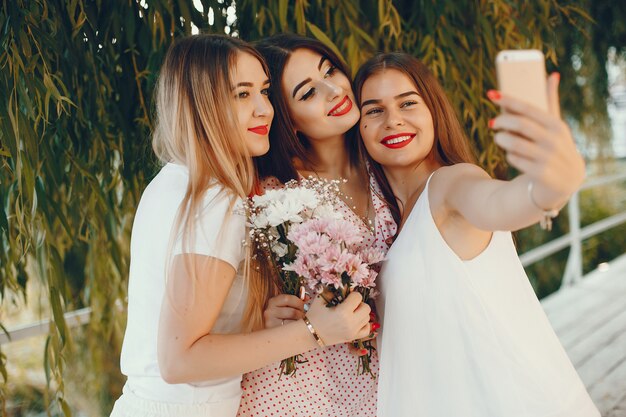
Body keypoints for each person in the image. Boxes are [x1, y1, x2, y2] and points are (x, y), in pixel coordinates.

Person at [109, 34, 372, 417]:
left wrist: (263, 324)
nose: (265, 109)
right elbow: (179, 359)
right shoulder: (213, 197)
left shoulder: (176, 181)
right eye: (242, 95)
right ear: (202, 105)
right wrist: (315, 332)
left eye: (264, 92)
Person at [354, 52, 600, 417]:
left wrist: (550, 187)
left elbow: (502, 202)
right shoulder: (389, 220)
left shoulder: (452, 184)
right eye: (374, 110)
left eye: (408, 103)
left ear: (434, 111)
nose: (393, 120)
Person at [237, 34, 397, 417]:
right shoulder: (278, 198)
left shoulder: (388, 162)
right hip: (301, 388)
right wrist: (267, 314)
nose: (334, 90)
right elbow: (249, 298)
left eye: (331, 71)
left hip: (385, 373)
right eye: (308, 93)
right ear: (287, 120)